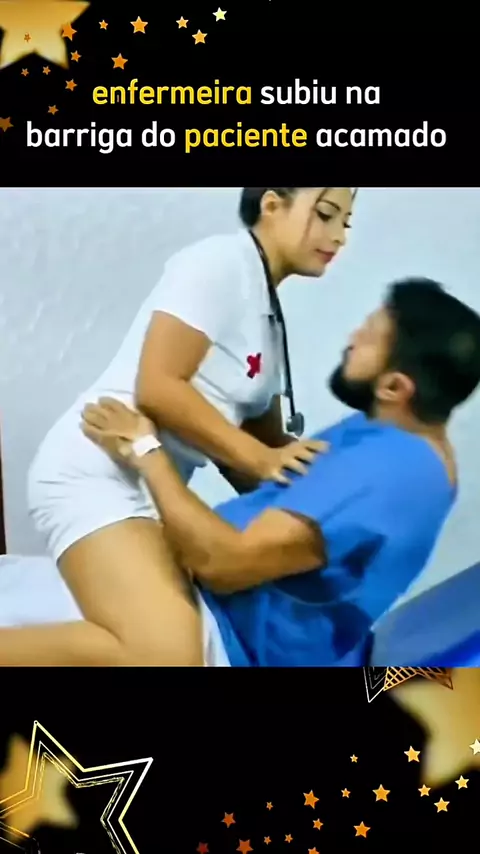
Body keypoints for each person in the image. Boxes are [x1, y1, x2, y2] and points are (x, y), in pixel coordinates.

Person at [8, 188, 352, 667]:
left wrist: (335, 503)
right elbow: (159, 387)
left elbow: (255, 455)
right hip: (95, 465)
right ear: (272, 205)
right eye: (327, 214)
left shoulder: (266, 317)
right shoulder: (218, 262)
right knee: (167, 654)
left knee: (183, 646)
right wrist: (264, 459)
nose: (339, 236)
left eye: (346, 223)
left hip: (148, 485)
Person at [76, 278, 480, 667]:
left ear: (395, 387)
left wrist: (145, 450)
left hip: (222, 641)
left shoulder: (389, 471)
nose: (353, 338)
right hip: (203, 600)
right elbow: (291, 493)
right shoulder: (393, 434)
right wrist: (233, 430)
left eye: (370, 336)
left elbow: (223, 565)